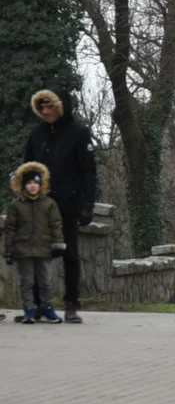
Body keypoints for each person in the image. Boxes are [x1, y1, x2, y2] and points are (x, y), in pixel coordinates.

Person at [23, 88, 97, 323]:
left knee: (70, 253)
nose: (46, 112)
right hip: (39, 203)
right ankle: (36, 306)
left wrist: (87, 204)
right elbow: (28, 167)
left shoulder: (79, 133)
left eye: (50, 107)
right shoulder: (36, 134)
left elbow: (88, 171)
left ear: (60, 107)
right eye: (42, 108)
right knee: (36, 254)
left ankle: (72, 304)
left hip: (68, 201)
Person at [4, 163, 65, 324]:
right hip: (23, 249)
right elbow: (10, 228)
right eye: (29, 183)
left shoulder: (49, 204)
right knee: (27, 282)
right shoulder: (16, 205)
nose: (32, 186)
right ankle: (29, 309)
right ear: (23, 185)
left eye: (35, 183)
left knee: (45, 281)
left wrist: (58, 244)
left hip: (43, 248)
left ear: (41, 185)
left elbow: (56, 225)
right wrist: (8, 249)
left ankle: (47, 307)